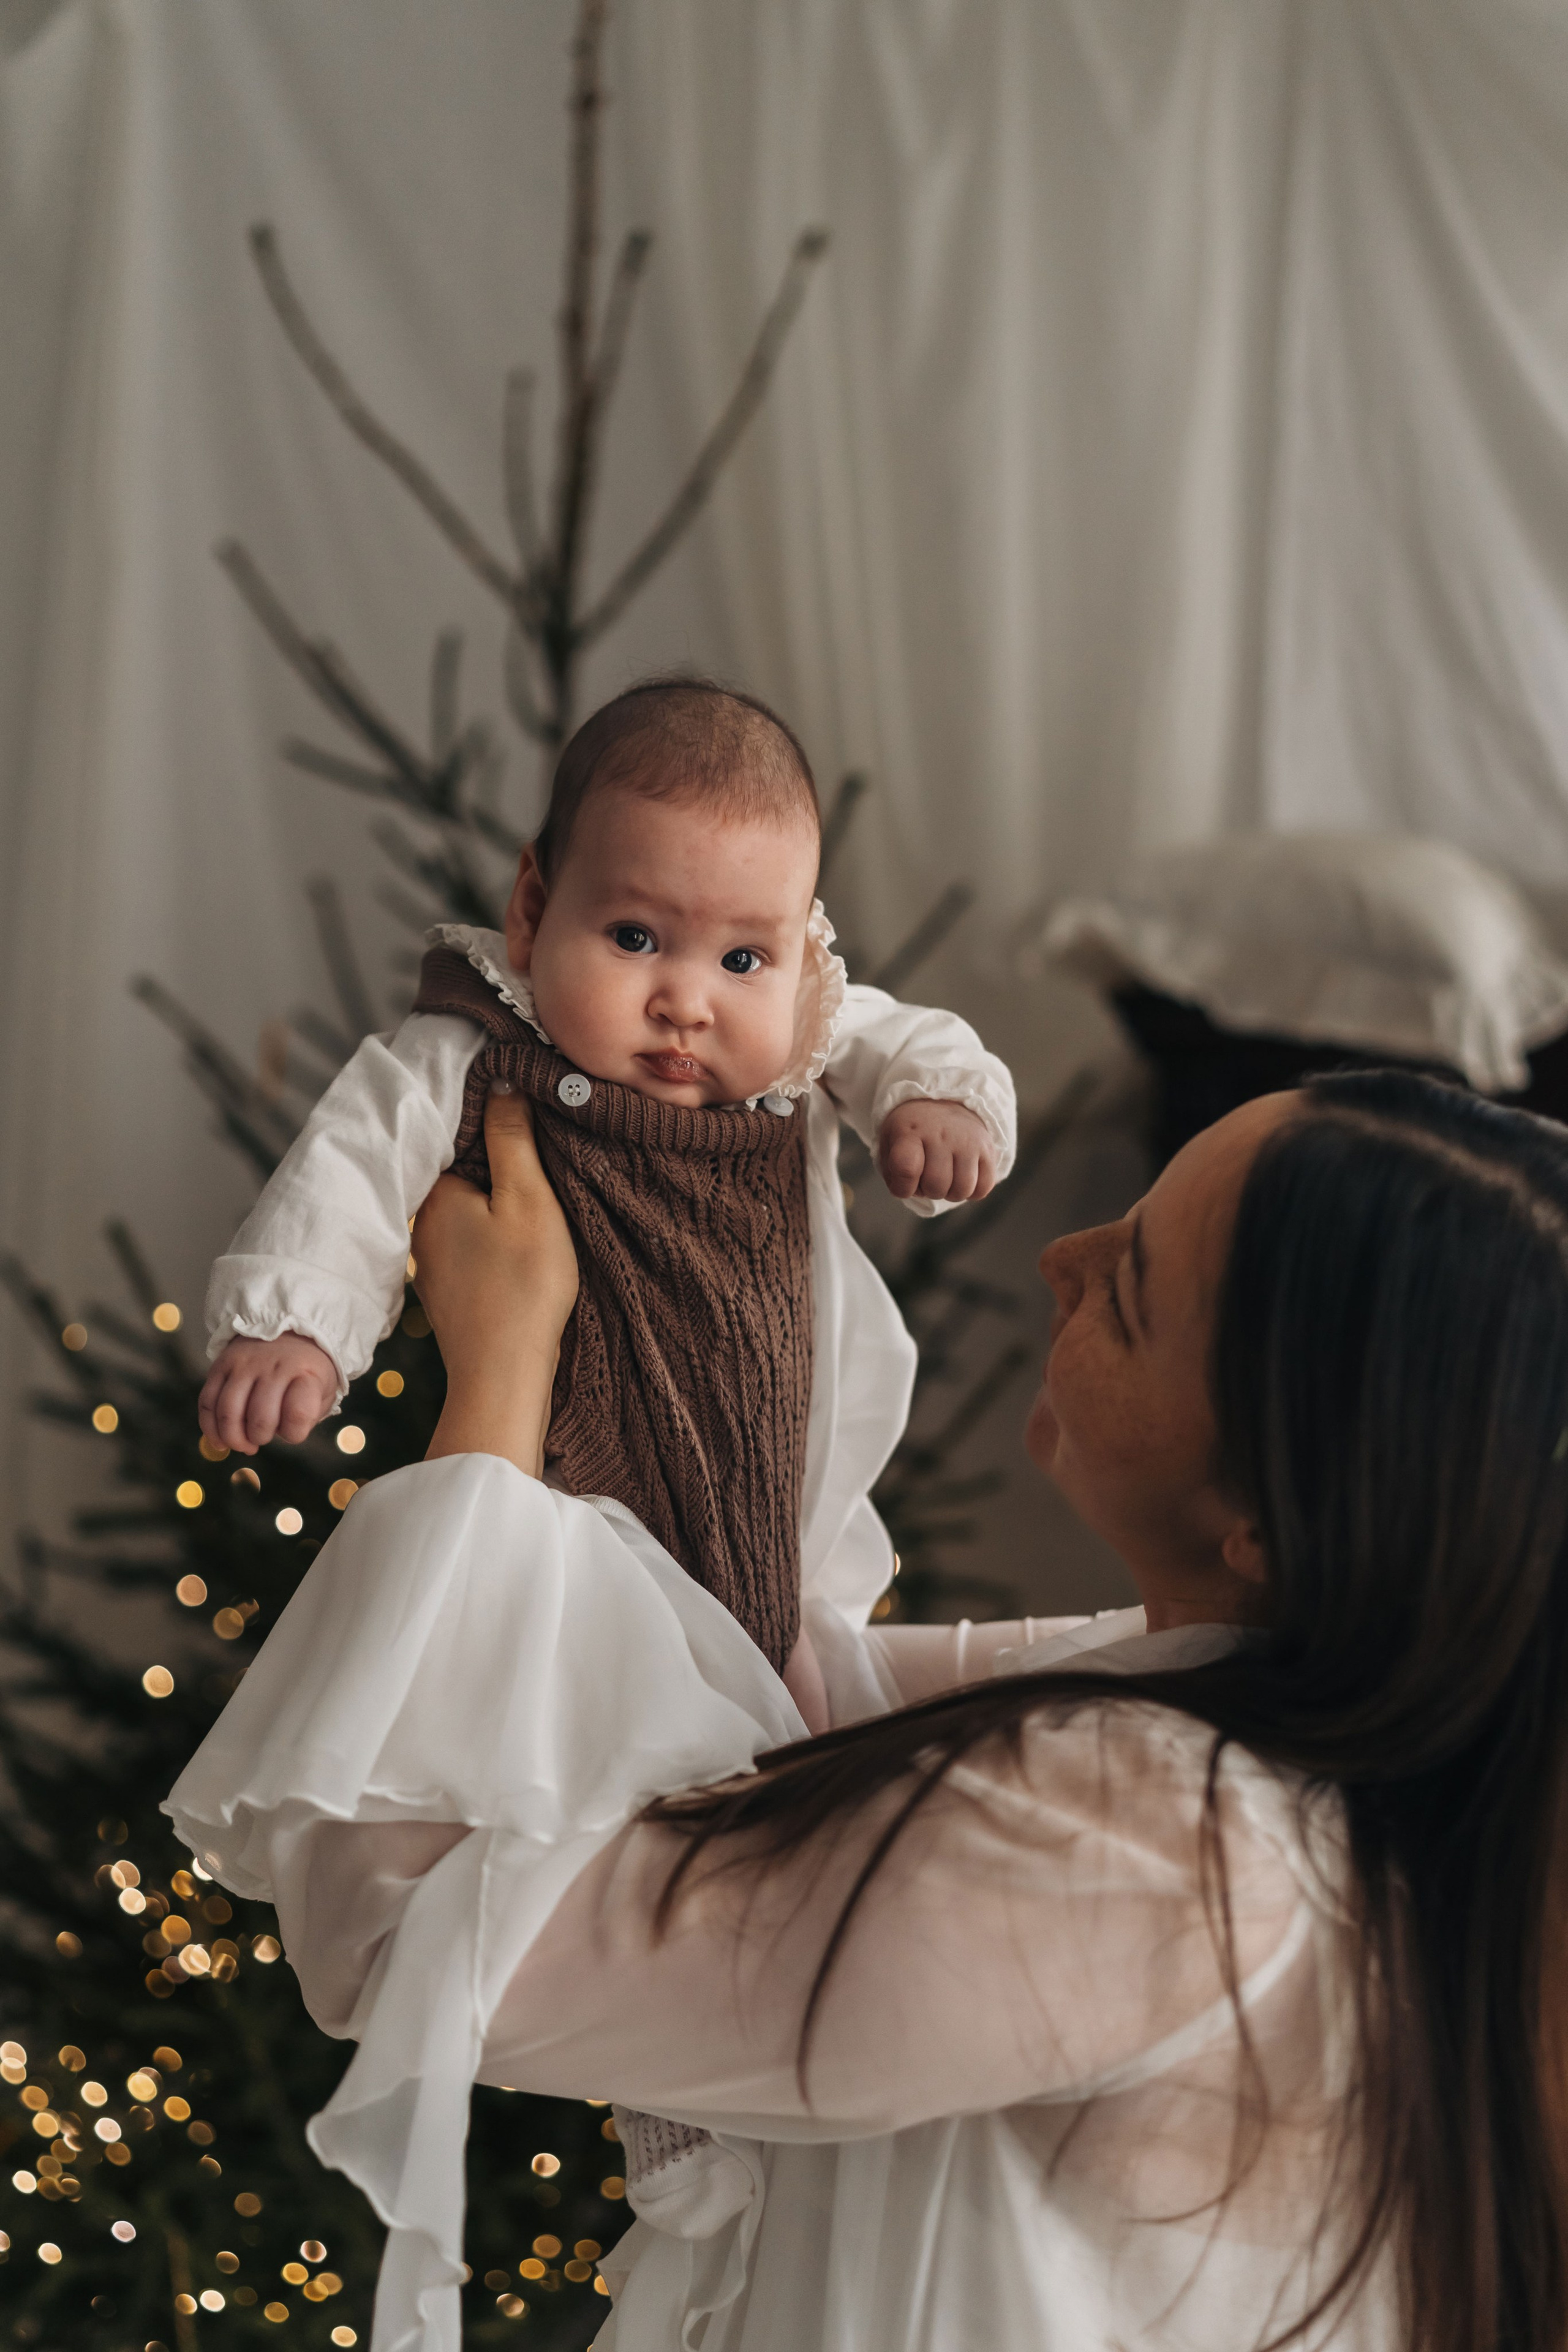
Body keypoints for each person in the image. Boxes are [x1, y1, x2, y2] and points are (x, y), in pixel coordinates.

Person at [167, 1067, 1568, 2352]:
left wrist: (502, 1375)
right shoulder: (1314, 1717)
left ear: (1269, 1520)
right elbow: (783, 1689)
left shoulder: (1154, 1838)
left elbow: (410, 1929)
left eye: (1127, 1287)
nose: (1058, 1257)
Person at [197, 676, 1016, 1735]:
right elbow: (357, 1156)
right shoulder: (477, 1041)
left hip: (760, 1507)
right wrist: (299, 1321)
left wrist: (939, 1103)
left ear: (800, 953)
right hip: (570, 1512)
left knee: (794, 1728)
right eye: (635, 937)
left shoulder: (806, 1033)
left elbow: (913, 1040)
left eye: (741, 958)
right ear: (533, 912)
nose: (688, 999)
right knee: (595, 1722)